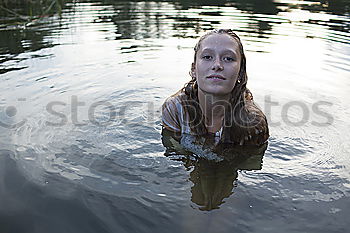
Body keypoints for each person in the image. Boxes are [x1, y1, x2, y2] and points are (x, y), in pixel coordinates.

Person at [162, 29, 269, 147]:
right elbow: (175, 158)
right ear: (194, 70)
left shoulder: (254, 122)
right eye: (207, 57)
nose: (217, 65)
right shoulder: (176, 109)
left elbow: (250, 164)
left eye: (228, 58)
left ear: (240, 72)